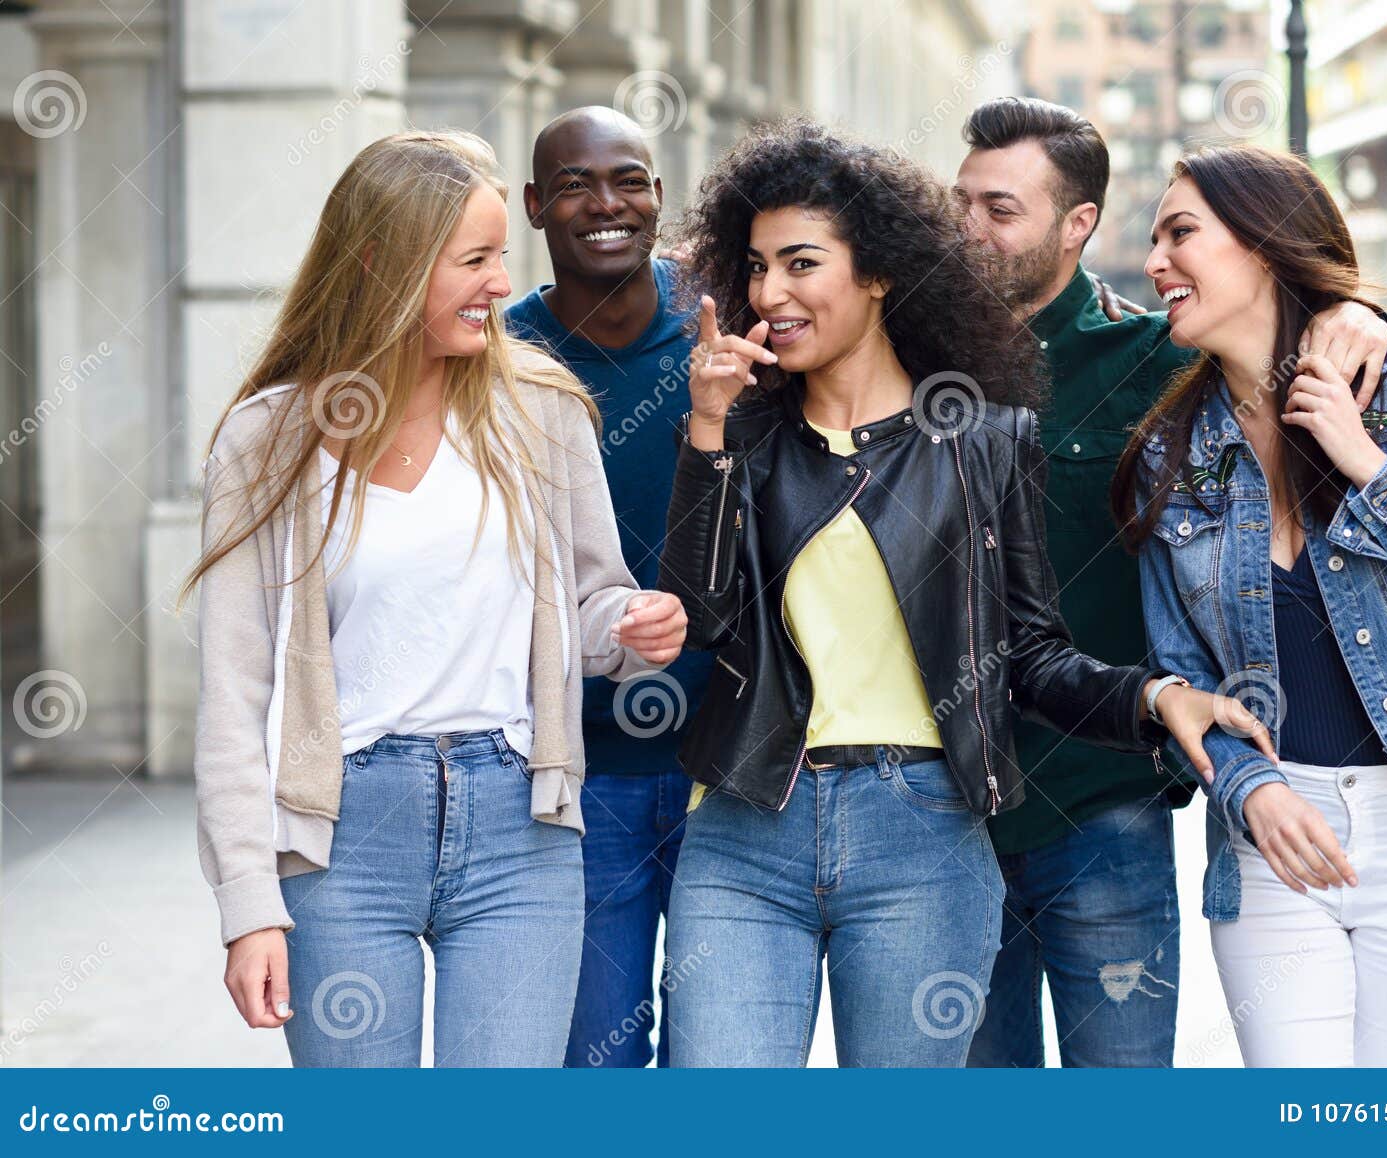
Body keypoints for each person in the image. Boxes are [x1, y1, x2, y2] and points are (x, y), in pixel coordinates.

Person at [654, 119, 1266, 1067]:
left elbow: (1029, 654)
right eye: (757, 266)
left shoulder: (985, 436)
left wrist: (1153, 697)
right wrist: (705, 431)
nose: (770, 293)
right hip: (745, 827)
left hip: (925, 835)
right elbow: (701, 617)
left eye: (801, 263)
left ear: (881, 271)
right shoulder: (743, 430)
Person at [182, 129, 686, 1067]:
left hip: (519, 828)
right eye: (477, 260)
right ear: (386, 261)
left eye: (503, 255)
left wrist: (628, 627)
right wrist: (248, 905)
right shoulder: (268, 440)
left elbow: (591, 602)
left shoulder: (542, 408)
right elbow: (234, 696)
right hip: (341, 841)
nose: (505, 284)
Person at [953, 95, 1387, 1067]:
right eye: (960, 201)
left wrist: (1358, 311)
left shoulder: (1157, 362)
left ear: (1077, 228)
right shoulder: (909, 356)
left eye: (998, 208)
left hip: (1103, 805)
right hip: (946, 814)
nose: (967, 227)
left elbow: (1279, 334)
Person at [1111, 144, 1387, 1067]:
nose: (1154, 263)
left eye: (1182, 233)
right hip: (1274, 838)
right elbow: (1180, 674)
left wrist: (1365, 464)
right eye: (1152, 241)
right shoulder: (1167, 456)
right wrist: (1250, 789)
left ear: (1264, 244)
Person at [504, 106, 711, 1069]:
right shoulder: (499, 361)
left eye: (628, 179)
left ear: (659, 197)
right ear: (537, 206)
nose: (606, 204)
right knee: (596, 1057)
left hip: (729, 769)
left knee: (723, 1056)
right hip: (578, 778)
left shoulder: (728, 331)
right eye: (577, 185)